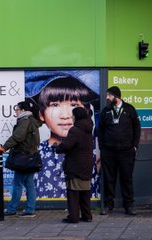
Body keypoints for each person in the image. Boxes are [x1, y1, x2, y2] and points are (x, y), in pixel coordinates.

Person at [25, 71, 100, 199]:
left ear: (86, 111)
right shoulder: (36, 151)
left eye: (74, 105)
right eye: (55, 105)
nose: (65, 115)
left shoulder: (96, 149)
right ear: (41, 114)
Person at [98, 86, 141, 216]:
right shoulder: (106, 111)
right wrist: (102, 147)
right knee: (109, 179)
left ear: (116, 97)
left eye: (109, 95)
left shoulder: (129, 109)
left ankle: (129, 206)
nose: (107, 98)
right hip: (109, 151)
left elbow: (137, 127)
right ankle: (108, 206)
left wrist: (134, 145)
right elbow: (100, 130)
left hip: (126, 151)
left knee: (126, 179)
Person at [2, 101, 42, 217]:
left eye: (17, 109)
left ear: (23, 110)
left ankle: (11, 209)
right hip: (30, 156)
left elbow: (18, 137)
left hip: (23, 157)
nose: (16, 111)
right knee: (29, 184)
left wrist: (4, 147)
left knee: (17, 183)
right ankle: (30, 209)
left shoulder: (24, 121)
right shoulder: (32, 121)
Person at [54, 107, 94, 223]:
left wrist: (58, 147)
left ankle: (73, 217)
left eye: (73, 115)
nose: (71, 117)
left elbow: (67, 145)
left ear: (76, 116)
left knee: (73, 193)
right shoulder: (88, 128)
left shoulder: (75, 130)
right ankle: (87, 216)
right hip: (86, 164)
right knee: (85, 192)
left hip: (75, 165)